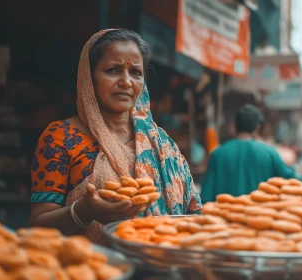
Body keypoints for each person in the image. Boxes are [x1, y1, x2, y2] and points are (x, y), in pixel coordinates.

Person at [30, 29, 202, 242]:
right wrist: (82, 212)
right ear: (89, 76)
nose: (126, 82)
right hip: (95, 269)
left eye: (136, 73)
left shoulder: (162, 143)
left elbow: (191, 213)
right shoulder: (60, 137)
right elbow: (38, 226)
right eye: (113, 70)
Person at [200, 104, 302, 203]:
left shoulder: (217, 154)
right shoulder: (269, 153)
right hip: (262, 218)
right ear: (257, 128)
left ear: (234, 126)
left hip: (223, 218)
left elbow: (205, 197)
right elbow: (294, 181)